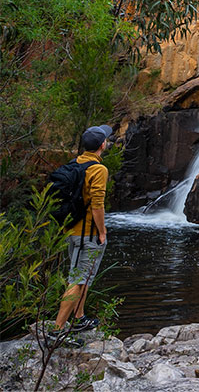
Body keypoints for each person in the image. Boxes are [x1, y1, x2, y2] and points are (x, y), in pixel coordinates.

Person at [50, 124, 112, 340]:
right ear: (102, 145)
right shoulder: (98, 169)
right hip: (88, 235)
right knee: (76, 281)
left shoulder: (75, 164)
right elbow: (97, 204)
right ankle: (57, 331)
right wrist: (102, 232)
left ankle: (79, 317)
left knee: (83, 277)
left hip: (72, 231)